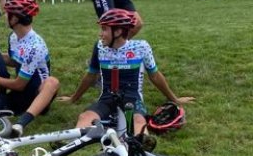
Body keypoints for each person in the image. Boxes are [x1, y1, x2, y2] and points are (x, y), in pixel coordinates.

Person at [59, 8, 193, 134]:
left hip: (132, 98)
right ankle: (72, 144)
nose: (100, 34)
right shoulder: (99, 47)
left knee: (138, 121)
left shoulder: (141, 47)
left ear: (117, 32)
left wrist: (174, 99)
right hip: (107, 98)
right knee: (84, 117)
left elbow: (155, 76)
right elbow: (90, 75)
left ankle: (141, 146)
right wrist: (73, 98)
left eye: (104, 29)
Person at [0, 0, 60, 136]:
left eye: (7, 14)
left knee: (52, 82)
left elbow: (19, 84)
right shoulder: (14, 36)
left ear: (15, 19)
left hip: (37, 95)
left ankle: (21, 123)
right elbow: (14, 61)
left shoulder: (34, 46)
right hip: (17, 97)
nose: (5, 17)